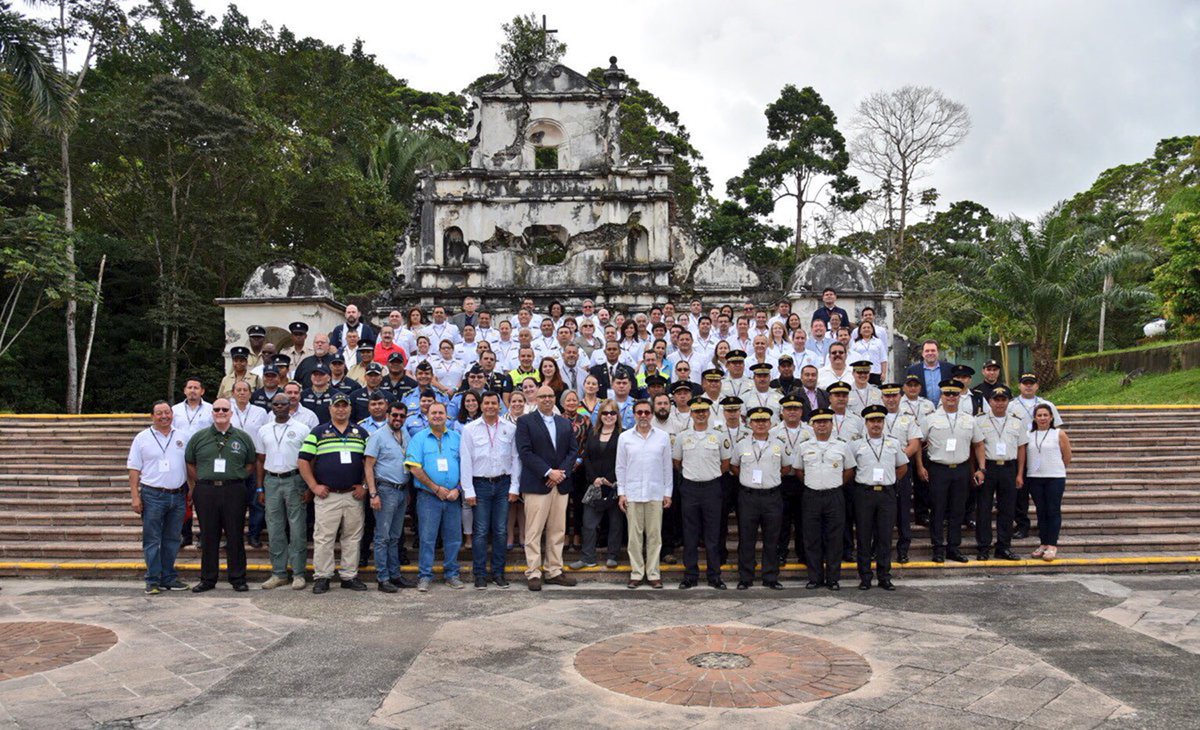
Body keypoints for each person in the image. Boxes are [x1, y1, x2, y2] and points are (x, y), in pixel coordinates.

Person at [298, 393, 370, 594]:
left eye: (344, 406)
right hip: (327, 495)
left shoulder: (361, 433)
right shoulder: (318, 432)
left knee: (352, 537)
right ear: (330, 409)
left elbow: (370, 463)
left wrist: (364, 486)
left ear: (349, 409)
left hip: (353, 495)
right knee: (324, 538)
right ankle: (322, 576)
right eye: (337, 406)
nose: (341, 409)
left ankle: (349, 576)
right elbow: (303, 460)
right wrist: (313, 487)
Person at [185, 397, 257, 593]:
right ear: (212, 412)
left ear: (231, 413)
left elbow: (251, 462)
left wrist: (239, 475)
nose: (221, 412)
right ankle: (208, 579)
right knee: (209, 536)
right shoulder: (199, 437)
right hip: (206, 491)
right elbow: (189, 461)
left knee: (235, 535)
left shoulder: (242, 437)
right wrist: (199, 480)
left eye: (225, 409)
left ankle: (238, 578)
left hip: (234, 490)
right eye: (216, 409)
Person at [514, 385, 580, 591]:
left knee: (557, 530)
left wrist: (559, 473)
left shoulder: (564, 423)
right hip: (537, 484)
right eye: (542, 396)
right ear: (534, 398)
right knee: (534, 530)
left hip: (560, 484)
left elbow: (573, 451)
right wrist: (547, 472)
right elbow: (525, 452)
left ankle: (554, 570)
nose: (547, 399)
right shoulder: (525, 422)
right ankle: (533, 572)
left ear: (555, 399)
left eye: (550, 396)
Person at [914, 379, 983, 563]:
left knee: (957, 510)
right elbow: (918, 444)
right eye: (947, 394)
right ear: (941, 396)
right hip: (938, 470)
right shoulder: (930, 419)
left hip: (961, 469)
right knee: (937, 510)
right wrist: (920, 466)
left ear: (959, 396)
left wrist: (981, 468)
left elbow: (978, 444)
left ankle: (954, 547)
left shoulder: (969, 419)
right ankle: (937, 548)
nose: (951, 397)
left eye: (954, 394)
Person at [127, 401, 190, 594]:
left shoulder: (182, 437)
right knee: (152, 539)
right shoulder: (142, 438)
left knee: (172, 539)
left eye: (167, 412)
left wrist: (192, 491)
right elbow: (134, 469)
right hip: (153, 494)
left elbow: (189, 466)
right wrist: (135, 496)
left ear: (172, 414)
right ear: (152, 416)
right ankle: (152, 580)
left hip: (178, 495)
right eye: (159, 413)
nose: (164, 416)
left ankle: (168, 577)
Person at [460, 391, 521, 589]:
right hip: (480, 484)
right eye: (486, 403)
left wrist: (514, 486)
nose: (490, 406)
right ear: (481, 405)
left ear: (499, 405)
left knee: (501, 531)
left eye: (494, 403)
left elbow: (515, 458)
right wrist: (468, 490)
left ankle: (498, 573)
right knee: (480, 531)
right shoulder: (470, 429)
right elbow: (466, 460)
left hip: (503, 483)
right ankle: (479, 574)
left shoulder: (510, 428)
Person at [844, 405, 908, 591]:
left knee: (885, 537)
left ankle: (884, 576)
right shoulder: (856, 445)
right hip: (864, 494)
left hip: (886, 494)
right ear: (866, 423)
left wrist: (891, 480)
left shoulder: (893, 443)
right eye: (872, 421)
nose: (876, 424)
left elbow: (902, 466)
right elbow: (850, 468)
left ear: (883, 423)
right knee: (864, 536)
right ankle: (865, 577)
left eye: (879, 421)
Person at [253, 393, 312, 590]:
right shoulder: (263, 430)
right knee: (275, 527)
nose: (279, 407)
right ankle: (278, 573)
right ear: (272, 406)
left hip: (294, 479)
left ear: (290, 405)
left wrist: (308, 485)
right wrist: (260, 486)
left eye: (283, 404)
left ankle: (298, 573)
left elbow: (311, 459)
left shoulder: (302, 429)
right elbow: (260, 460)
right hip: (271, 480)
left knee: (297, 528)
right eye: (275, 404)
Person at [673, 396, 731, 590]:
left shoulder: (719, 436)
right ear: (691, 413)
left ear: (709, 413)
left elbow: (725, 464)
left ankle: (714, 575)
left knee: (712, 535)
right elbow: (677, 463)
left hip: (712, 488)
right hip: (689, 488)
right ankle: (690, 575)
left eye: (704, 411)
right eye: (697, 411)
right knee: (690, 534)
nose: (700, 414)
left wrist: (709, 475)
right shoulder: (682, 437)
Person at [616, 399, 673, 589]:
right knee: (634, 537)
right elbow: (620, 467)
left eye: (646, 412)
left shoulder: (662, 437)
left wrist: (668, 492)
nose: (643, 416)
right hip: (632, 493)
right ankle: (637, 573)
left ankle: (654, 573)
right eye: (639, 412)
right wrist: (621, 493)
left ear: (652, 414)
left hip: (655, 493)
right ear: (634, 414)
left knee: (655, 537)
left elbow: (667, 467)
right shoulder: (624, 437)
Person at [731, 407, 787, 590]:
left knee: (772, 539)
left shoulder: (779, 444)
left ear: (770, 424)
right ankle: (745, 577)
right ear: (750, 424)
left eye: (764, 421)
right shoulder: (741, 444)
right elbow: (735, 467)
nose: (761, 424)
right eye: (756, 421)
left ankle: (770, 577)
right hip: (749, 497)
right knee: (747, 538)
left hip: (772, 496)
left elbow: (785, 468)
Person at [365, 401, 417, 592]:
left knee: (395, 536)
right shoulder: (377, 436)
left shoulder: (406, 434)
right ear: (388, 415)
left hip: (402, 489)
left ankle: (395, 575)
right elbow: (368, 466)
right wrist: (373, 493)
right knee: (382, 537)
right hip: (385, 490)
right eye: (394, 415)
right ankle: (383, 578)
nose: (398, 419)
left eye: (402, 416)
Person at [971, 385, 1027, 561]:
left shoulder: (1016, 422)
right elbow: (975, 447)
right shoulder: (979, 420)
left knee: (1007, 510)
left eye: (1003, 400)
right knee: (984, 509)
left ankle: (1003, 546)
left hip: (1009, 468)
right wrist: (977, 470)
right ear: (990, 402)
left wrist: (1019, 474)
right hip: (988, 467)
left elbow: (1021, 449)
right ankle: (983, 547)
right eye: (996, 400)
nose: (1000, 403)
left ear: (1008, 402)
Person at [795, 408, 848, 590]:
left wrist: (836, 483)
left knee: (834, 538)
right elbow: (799, 471)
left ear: (832, 425)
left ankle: (833, 579)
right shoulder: (804, 447)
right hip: (812, 496)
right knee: (812, 538)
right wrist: (813, 483)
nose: (822, 425)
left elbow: (849, 470)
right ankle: (815, 577)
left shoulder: (842, 445)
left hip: (834, 495)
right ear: (812, 425)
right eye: (818, 422)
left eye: (825, 421)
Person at [1007, 372, 1064, 539]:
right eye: (1025, 383)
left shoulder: (1047, 404)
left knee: (1045, 497)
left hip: (1044, 455)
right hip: (1020, 451)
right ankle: (1022, 524)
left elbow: (1058, 429)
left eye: (1032, 383)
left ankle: (1044, 524)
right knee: (1020, 493)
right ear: (1019, 386)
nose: (1028, 386)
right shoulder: (1011, 405)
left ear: (1037, 386)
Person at [571, 399, 624, 570]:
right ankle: (588, 557)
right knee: (589, 523)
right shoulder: (593, 434)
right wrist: (595, 478)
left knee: (615, 522)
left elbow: (623, 460)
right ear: (600, 415)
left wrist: (609, 478)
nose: (609, 416)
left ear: (617, 416)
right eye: (605, 413)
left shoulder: (623, 435)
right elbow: (586, 457)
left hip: (614, 485)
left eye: (612, 413)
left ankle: (612, 555)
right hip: (594, 485)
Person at [881, 382, 923, 564]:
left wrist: (898, 458)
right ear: (882, 398)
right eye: (887, 396)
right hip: (880, 470)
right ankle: (880, 549)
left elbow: (914, 443)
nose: (891, 399)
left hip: (902, 469)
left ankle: (903, 550)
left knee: (903, 511)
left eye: (894, 395)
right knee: (881, 511)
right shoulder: (874, 417)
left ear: (900, 397)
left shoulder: (908, 418)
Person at [1027, 403, 1072, 561]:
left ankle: (1052, 545)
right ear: (1034, 418)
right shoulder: (1029, 434)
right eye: (1039, 415)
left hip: (1055, 477)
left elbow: (1067, 456)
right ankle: (1043, 543)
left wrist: (1058, 468)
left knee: (1053, 510)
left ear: (1051, 417)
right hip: (1035, 477)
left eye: (1046, 415)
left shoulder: (1058, 433)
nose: (1042, 418)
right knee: (1041, 511)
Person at [229, 381, 268, 548]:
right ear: (233, 393)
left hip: (254, 462)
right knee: (232, 504)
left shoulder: (260, 412)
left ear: (250, 394)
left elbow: (265, 435)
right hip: (232, 463)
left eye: (245, 390)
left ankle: (254, 535)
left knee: (256, 502)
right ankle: (233, 537)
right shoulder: (226, 411)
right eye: (238, 390)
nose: (242, 393)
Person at [772, 395, 808, 566]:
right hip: (782, 480)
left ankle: (803, 553)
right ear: (782, 412)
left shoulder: (810, 431)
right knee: (782, 521)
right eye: (788, 409)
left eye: (795, 409)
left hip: (803, 481)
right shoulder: (773, 432)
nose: (792, 412)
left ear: (801, 411)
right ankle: (780, 553)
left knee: (804, 520)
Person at [904, 340, 954, 406]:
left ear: (938, 352)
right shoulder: (913, 370)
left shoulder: (949, 368)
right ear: (922, 353)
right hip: (922, 410)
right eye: (927, 351)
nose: (930, 353)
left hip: (945, 409)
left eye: (933, 350)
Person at [172, 377, 213, 441]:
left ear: (202, 391)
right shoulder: (175, 410)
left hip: (203, 447)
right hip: (180, 447)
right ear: (185, 391)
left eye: (196, 388)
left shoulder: (211, 409)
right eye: (189, 387)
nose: (192, 390)